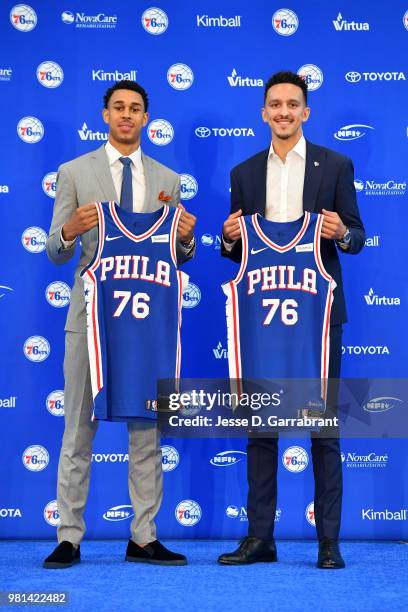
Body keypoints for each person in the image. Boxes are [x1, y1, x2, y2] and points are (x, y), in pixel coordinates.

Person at [44, 80, 196, 568]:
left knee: (146, 431)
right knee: (77, 432)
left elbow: (175, 256)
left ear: (146, 118)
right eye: (119, 108)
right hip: (89, 322)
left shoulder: (168, 178)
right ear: (105, 115)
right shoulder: (74, 172)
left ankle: (144, 536)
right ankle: (69, 536)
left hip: (145, 327)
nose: (127, 115)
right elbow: (53, 249)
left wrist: (187, 239)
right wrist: (69, 230)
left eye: (135, 109)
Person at [218, 71, 365, 569]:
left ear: (306, 111)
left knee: (323, 428)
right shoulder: (243, 173)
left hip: (318, 318)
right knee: (261, 428)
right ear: (263, 113)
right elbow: (234, 252)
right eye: (275, 105)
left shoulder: (336, 164)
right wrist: (228, 237)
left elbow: (358, 236)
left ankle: (329, 541)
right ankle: (261, 537)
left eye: (292, 104)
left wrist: (343, 231)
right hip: (261, 317)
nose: (283, 112)